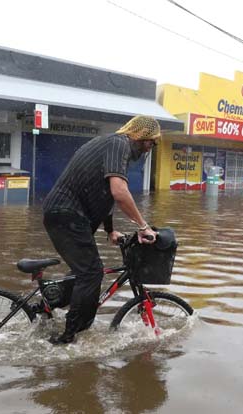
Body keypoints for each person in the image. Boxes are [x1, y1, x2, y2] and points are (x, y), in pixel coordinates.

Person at [43, 115, 160, 345]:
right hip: (66, 213)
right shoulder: (119, 144)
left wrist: (110, 230)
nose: (150, 148)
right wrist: (143, 226)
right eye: (151, 142)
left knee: (82, 271)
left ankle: (48, 303)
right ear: (141, 136)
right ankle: (69, 336)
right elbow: (119, 191)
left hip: (65, 214)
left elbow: (104, 195)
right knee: (91, 273)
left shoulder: (114, 146)